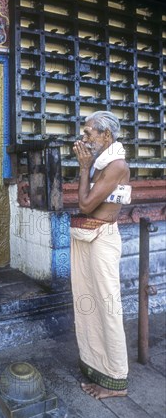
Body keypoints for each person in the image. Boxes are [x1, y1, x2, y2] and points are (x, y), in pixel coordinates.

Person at [71, 111, 132, 399]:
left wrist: (83, 168)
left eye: (89, 133)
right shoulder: (102, 163)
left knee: (107, 309)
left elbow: (84, 204)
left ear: (106, 135)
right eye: (84, 134)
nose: (84, 138)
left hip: (103, 240)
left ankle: (116, 380)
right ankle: (98, 367)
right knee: (90, 306)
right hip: (91, 238)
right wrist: (87, 166)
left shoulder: (116, 165)